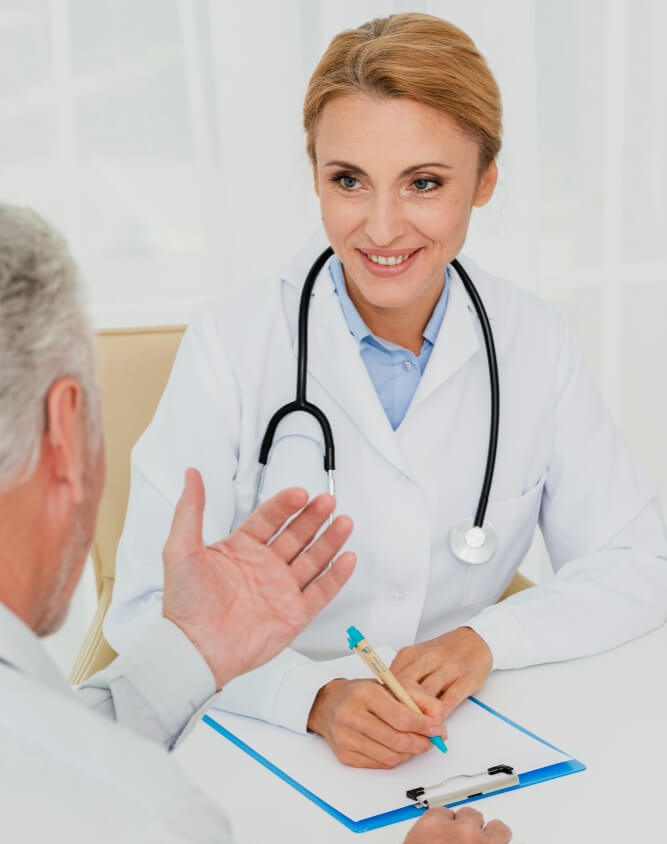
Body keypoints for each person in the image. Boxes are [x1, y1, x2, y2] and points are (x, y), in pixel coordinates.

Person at [105, 11, 667, 771]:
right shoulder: (233, 342)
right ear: (314, 176)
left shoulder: (533, 341)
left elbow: (638, 560)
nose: (380, 226)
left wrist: (486, 639)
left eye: (424, 183)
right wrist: (309, 699)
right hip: (257, 728)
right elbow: (144, 612)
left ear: (484, 181)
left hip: (455, 736)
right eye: (348, 181)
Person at [0, 202, 512, 843]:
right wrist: (313, 697)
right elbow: (75, 775)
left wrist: (201, 647)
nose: (384, 227)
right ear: (65, 430)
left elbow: (62, 737)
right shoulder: (150, 817)